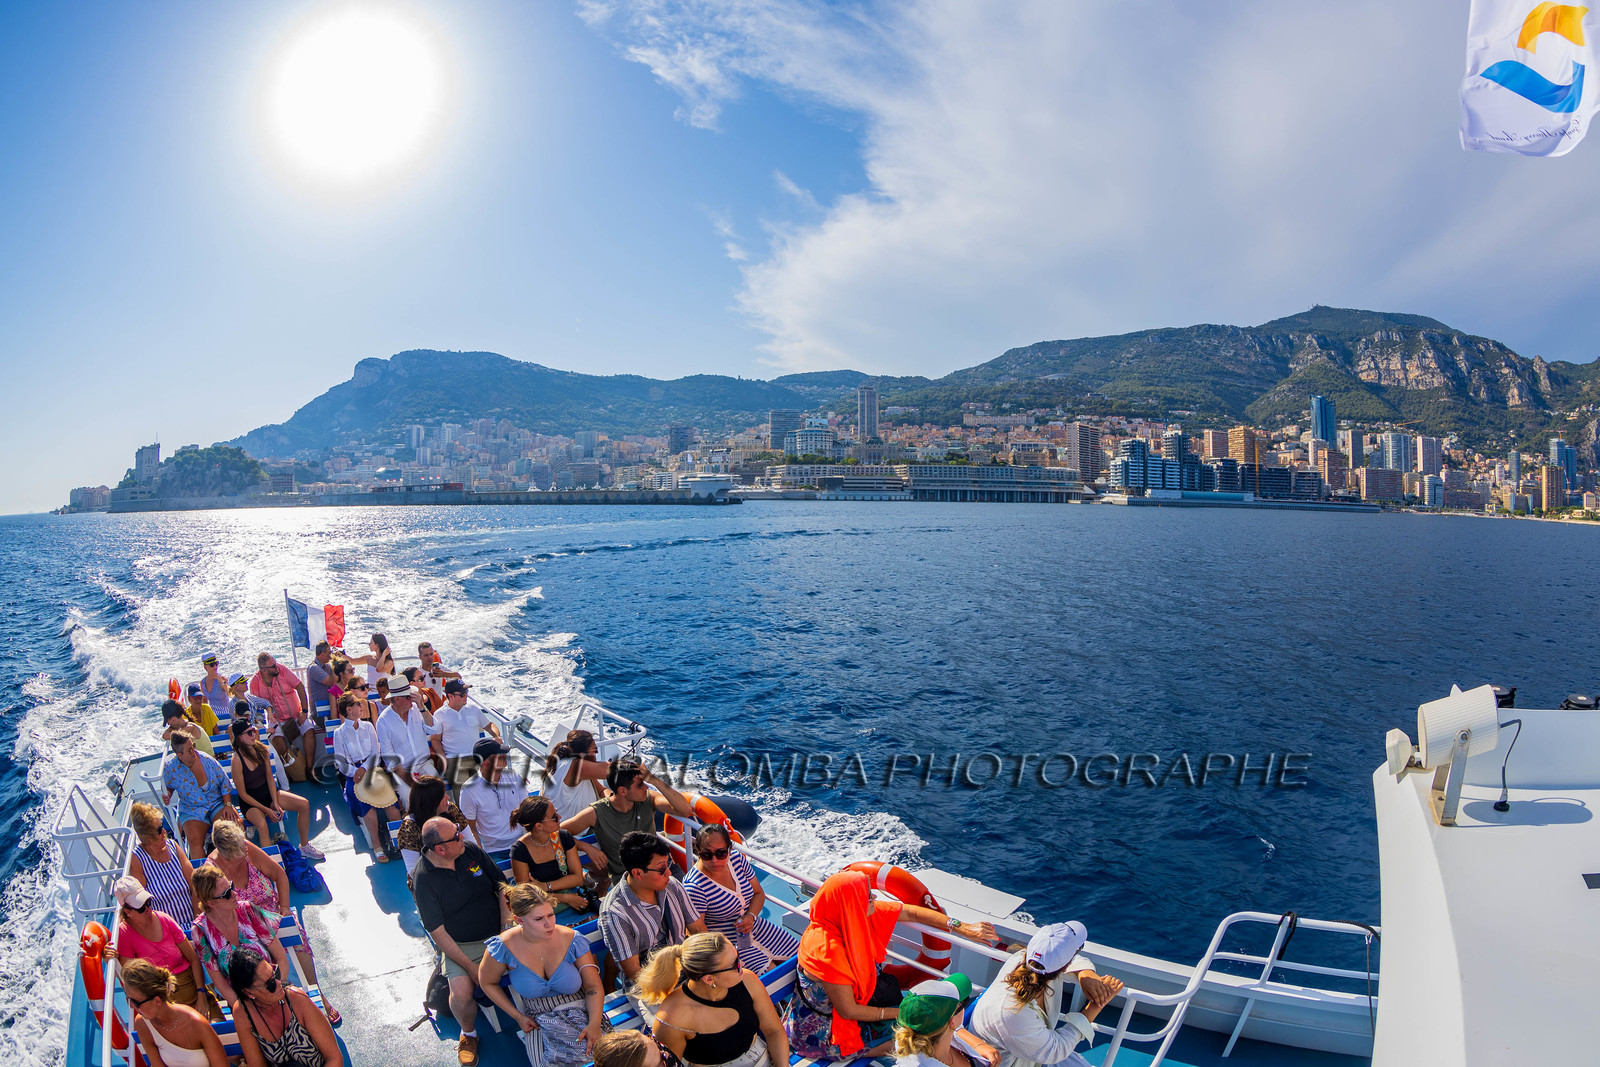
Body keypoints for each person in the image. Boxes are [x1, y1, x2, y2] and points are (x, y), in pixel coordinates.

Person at [784, 870, 997, 1061]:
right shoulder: (826, 949)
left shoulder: (849, 917)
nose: (874, 897)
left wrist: (961, 927)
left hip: (851, 1015)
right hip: (823, 1033)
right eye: (868, 896)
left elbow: (911, 912)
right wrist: (899, 1013)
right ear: (851, 903)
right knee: (915, 1042)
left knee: (924, 1030)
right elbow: (848, 1011)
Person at [206, 820, 336, 1024]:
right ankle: (285, 1003)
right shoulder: (213, 871)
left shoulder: (247, 849)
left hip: (274, 914)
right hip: (247, 928)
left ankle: (315, 991)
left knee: (296, 936)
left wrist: (284, 907)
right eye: (237, 854)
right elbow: (214, 911)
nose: (243, 856)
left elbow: (279, 875)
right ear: (223, 853)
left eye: (243, 849)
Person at [412, 816, 512, 1066]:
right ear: (440, 849)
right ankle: (469, 1033)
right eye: (456, 835)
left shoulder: (470, 851)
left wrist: (505, 930)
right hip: (461, 945)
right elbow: (437, 931)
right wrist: (469, 966)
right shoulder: (423, 878)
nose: (463, 836)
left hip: (499, 932)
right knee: (462, 992)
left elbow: (502, 887)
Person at [478, 883, 606, 1067]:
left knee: (606, 1058)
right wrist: (517, 1016)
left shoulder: (572, 939)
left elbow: (593, 986)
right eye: (539, 919)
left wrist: (594, 1024)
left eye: (551, 915)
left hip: (584, 1011)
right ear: (519, 920)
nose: (549, 924)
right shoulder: (502, 947)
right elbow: (487, 982)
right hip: (537, 1019)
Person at [968, 923, 1123, 1067]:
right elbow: (1055, 1050)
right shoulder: (1011, 1011)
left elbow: (1073, 959)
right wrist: (1097, 1005)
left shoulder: (1025, 960)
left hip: (1032, 1053)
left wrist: (1085, 974)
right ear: (1064, 966)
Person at [638, 931, 789, 1067]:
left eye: (738, 956)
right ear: (709, 979)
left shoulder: (748, 980)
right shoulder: (672, 1017)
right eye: (735, 964)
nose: (742, 964)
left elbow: (774, 1031)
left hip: (762, 1058)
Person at [561, 760, 694, 885]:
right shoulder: (595, 813)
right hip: (630, 881)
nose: (646, 787)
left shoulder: (649, 798)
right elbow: (557, 832)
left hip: (663, 869)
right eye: (640, 784)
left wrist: (654, 780)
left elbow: (685, 810)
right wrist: (585, 847)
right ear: (622, 791)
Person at [683, 826, 796, 973]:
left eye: (721, 853)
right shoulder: (694, 886)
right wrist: (727, 956)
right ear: (698, 850)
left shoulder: (737, 860)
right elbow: (701, 934)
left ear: (729, 848)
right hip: (726, 943)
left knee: (801, 956)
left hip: (755, 926)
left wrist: (750, 916)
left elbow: (758, 893)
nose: (714, 860)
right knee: (771, 975)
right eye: (706, 854)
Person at [597, 832, 706, 984]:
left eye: (668, 865)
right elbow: (636, 975)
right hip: (652, 985)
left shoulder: (672, 885)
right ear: (638, 873)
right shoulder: (615, 913)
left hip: (686, 969)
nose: (669, 873)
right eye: (661, 869)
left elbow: (699, 930)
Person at [189, 865, 293, 1005]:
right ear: (211, 903)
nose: (234, 894)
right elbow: (221, 984)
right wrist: (247, 1010)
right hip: (242, 1000)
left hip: (275, 986)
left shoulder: (247, 910)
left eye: (231, 886)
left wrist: (280, 988)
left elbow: (281, 957)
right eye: (226, 893)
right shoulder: (200, 930)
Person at [108, 876, 209, 1015]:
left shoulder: (164, 918)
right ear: (128, 912)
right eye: (141, 908)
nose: (148, 909)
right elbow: (130, 980)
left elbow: (193, 959)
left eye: (148, 902)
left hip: (191, 987)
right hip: (163, 1000)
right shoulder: (124, 933)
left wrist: (201, 993)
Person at [228, 946, 341, 1067]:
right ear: (249, 992)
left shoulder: (296, 999)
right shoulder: (243, 1012)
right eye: (270, 983)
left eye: (275, 974)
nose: (278, 982)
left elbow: (334, 1058)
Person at [228, 719, 320, 859]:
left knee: (304, 805)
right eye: (249, 733)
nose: (253, 735)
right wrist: (267, 810)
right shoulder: (236, 760)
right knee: (262, 825)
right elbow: (242, 794)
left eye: (253, 731)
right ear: (240, 737)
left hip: (269, 795)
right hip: (251, 803)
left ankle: (304, 846)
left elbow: (270, 779)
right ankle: (272, 865)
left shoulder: (261, 749)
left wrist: (275, 804)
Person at [330, 692, 400, 862]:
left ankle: (398, 841)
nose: (362, 707)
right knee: (366, 806)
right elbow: (341, 763)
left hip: (372, 771)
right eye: (357, 704)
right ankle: (377, 844)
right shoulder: (339, 733)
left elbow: (376, 752)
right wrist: (357, 772)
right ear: (349, 709)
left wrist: (363, 768)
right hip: (353, 776)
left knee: (391, 803)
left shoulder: (368, 727)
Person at [120, 959, 227, 1067]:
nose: (131, 1006)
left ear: (157, 1001)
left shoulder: (195, 1022)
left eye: (135, 1002)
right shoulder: (142, 1024)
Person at [509, 796, 595, 919]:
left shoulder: (564, 837)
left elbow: (577, 879)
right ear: (539, 826)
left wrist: (545, 886)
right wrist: (565, 898)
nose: (559, 818)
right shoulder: (520, 850)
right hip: (544, 909)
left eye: (557, 813)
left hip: (573, 900)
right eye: (554, 817)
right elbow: (527, 895)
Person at [892, 973, 1000, 1067]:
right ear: (952, 1021)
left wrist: (978, 1045)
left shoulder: (913, 1031)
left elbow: (953, 1028)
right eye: (963, 1003)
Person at [161, 732, 238, 861]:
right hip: (192, 809)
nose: (194, 751)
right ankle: (205, 876)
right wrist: (168, 793)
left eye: (194, 746)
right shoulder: (170, 769)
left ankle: (232, 864)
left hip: (216, 803)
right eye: (189, 750)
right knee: (193, 840)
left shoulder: (207, 760)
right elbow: (169, 786)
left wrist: (228, 805)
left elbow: (224, 782)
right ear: (180, 755)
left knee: (232, 827)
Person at [250, 652, 324, 786]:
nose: (276, 666)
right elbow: (255, 706)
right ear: (263, 670)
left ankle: (310, 769)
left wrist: (304, 711)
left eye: (275, 663)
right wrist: (265, 726)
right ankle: (290, 772)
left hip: (296, 715)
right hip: (276, 720)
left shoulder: (283, 670)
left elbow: (300, 686)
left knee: (310, 730)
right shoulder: (255, 682)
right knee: (277, 741)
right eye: (272, 666)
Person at [375, 675, 443, 807]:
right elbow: (390, 760)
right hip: (402, 770)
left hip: (424, 764)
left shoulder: (418, 709)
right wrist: (413, 783)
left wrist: (423, 708)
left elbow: (435, 729)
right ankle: (416, 824)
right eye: (408, 697)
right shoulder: (383, 722)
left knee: (437, 787)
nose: (412, 699)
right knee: (408, 796)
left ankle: (438, 821)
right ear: (397, 699)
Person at [128, 801, 197, 926]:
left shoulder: (173, 846)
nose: (164, 831)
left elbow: (195, 887)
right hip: (166, 931)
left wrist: (197, 923)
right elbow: (141, 904)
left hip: (193, 923)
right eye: (160, 829)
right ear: (148, 836)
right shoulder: (137, 859)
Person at [459, 738, 525, 855]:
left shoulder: (514, 776)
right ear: (486, 763)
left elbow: (527, 809)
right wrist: (482, 856)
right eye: (500, 755)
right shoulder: (469, 790)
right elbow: (470, 828)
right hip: (493, 851)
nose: (505, 755)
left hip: (522, 842)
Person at [395, 775, 467, 877]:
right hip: (429, 878)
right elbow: (414, 871)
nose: (448, 797)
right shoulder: (409, 827)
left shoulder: (450, 809)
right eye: (443, 795)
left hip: (460, 868)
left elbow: (471, 842)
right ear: (432, 801)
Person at [435, 680, 501, 790]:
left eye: (466, 692)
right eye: (462, 694)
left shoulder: (473, 709)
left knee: (495, 784)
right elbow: (436, 739)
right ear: (450, 696)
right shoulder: (439, 714)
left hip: (478, 757)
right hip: (455, 760)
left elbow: (489, 725)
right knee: (465, 789)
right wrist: (443, 759)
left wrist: (496, 736)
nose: (466, 696)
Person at [542, 729, 609, 821]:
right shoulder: (577, 767)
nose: (596, 753)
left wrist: (611, 800)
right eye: (595, 750)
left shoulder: (564, 762)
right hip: (573, 832)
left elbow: (601, 790)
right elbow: (611, 770)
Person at [195, 652, 232, 724]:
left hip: (226, 712)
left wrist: (220, 680)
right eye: (212, 665)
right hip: (212, 713)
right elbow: (204, 701)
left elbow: (230, 693)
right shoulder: (202, 682)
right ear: (205, 667)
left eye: (216, 664)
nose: (215, 667)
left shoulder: (222, 679)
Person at [303, 642, 335, 714]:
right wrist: (335, 662)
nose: (331, 655)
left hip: (329, 707)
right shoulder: (313, 668)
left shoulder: (327, 666)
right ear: (322, 655)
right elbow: (330, 682)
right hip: (319, 712)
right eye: (329, 653)